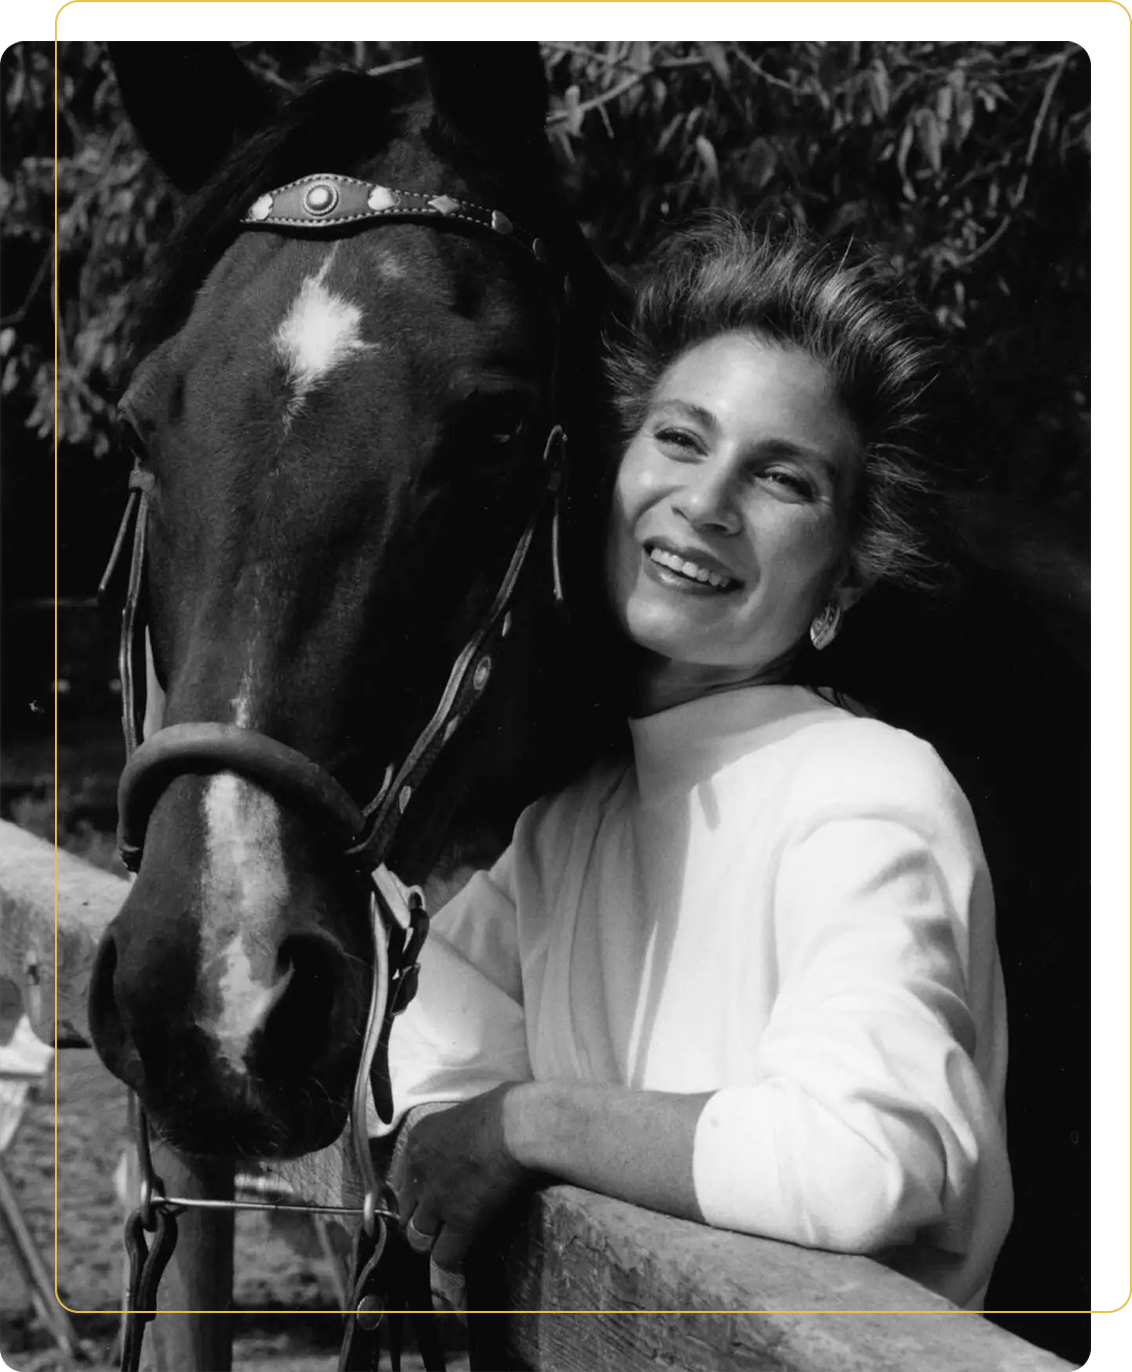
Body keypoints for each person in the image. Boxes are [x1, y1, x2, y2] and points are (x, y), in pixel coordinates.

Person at [375, 217, 1012, 1310]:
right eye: (680, 438)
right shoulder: (576, 817)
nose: (708, 503)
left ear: (842, 586)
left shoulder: (865, 791)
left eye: (783, 479)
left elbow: (859, 1163)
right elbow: (412, 1046)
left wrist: (532, 1120)